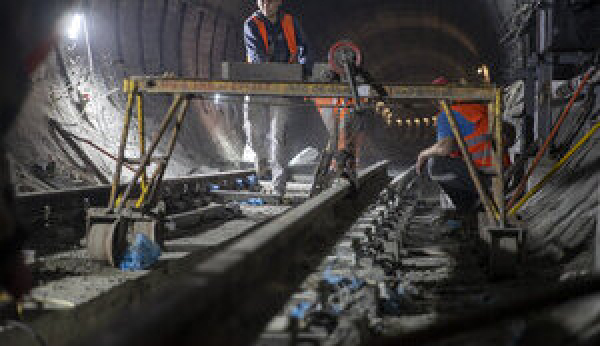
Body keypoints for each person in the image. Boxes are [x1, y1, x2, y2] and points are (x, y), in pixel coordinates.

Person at [243, 0, 312, 197]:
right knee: (252, 130)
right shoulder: (251, 24)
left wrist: (303, 72)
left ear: (279, 2)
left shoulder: (290, 22)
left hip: (282, 86)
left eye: (270, 0)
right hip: (255, 83)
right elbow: (256, 55)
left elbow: (304, 48)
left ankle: (278, 185)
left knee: (278, 135)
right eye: (261, 0)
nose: (265, 4)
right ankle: (261, 160)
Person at [416, 77, 513, 212]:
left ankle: (467, 207)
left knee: (435, 164)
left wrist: (422, 154)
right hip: (504, 173)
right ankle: (479, 199)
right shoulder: (478, 107)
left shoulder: (446, 115)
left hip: (486, 179)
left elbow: (444, 149)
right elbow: (510, 133)